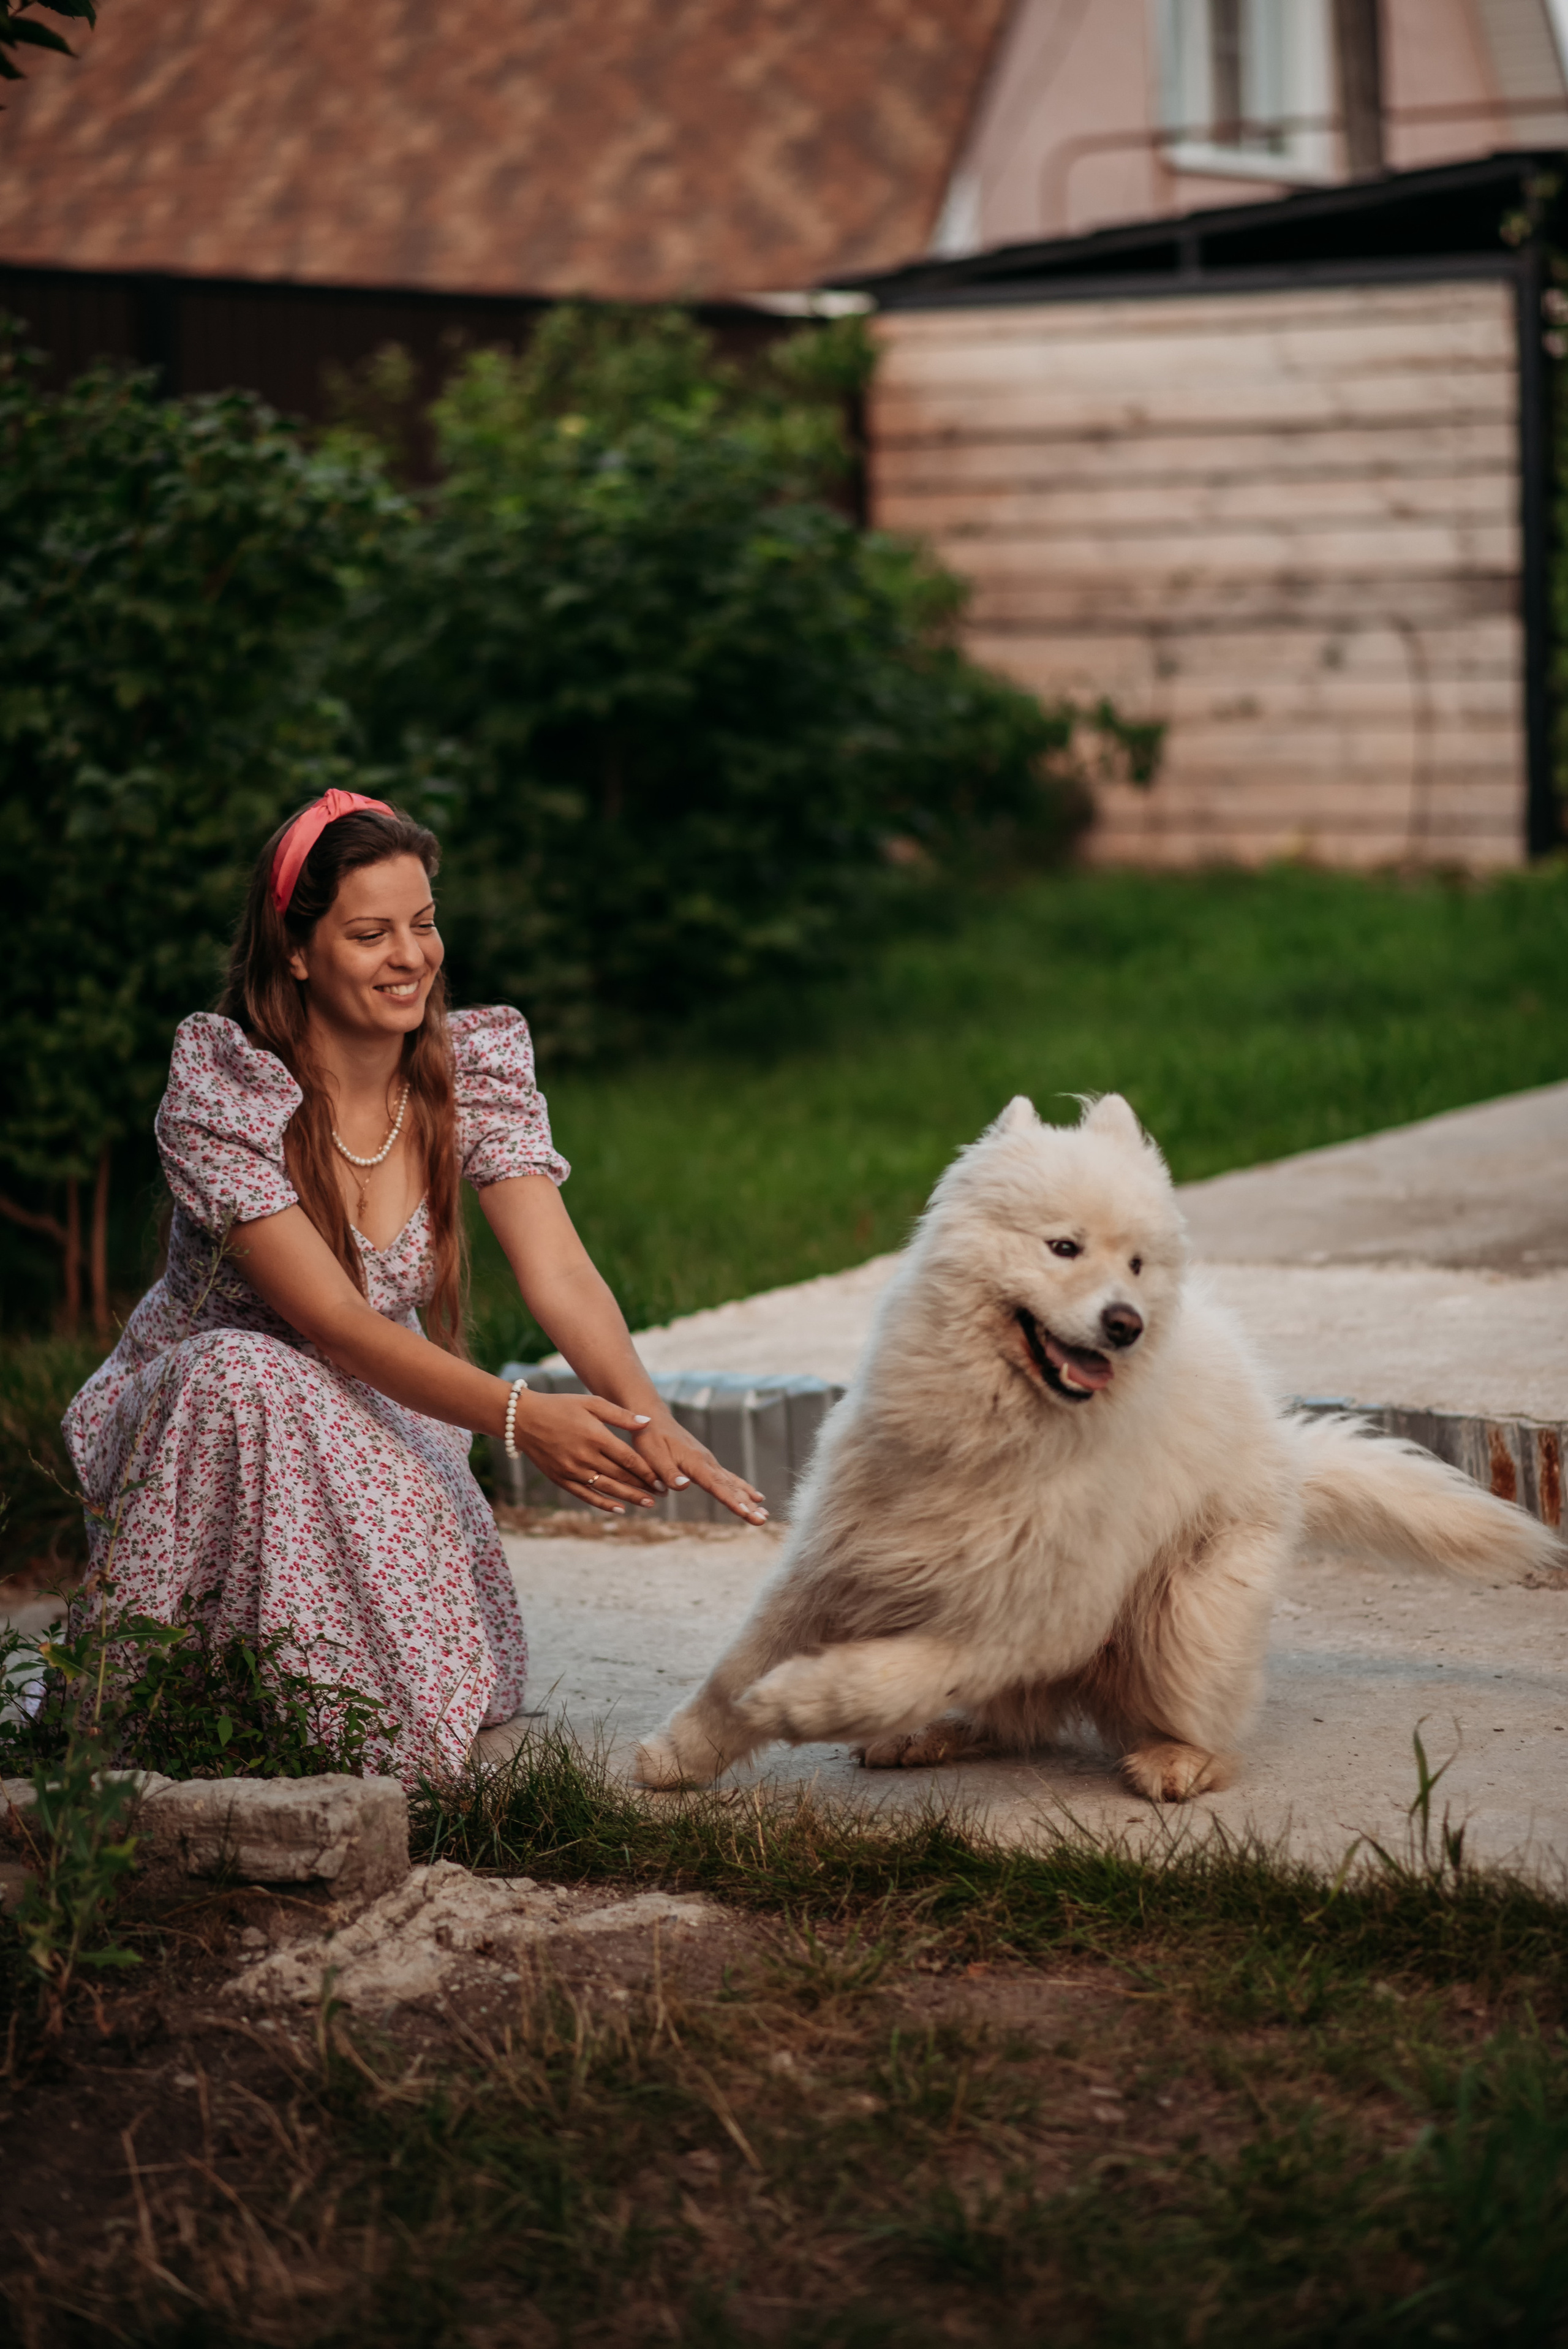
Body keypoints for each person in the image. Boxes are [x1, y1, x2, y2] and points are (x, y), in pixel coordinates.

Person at [62, 790, 766, 1783]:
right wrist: (524, 1418)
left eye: (425, 923)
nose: (412, 955)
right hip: (203, 1433)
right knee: (242, 1368)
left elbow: (558, 1267)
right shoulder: (230, 1089)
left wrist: (647, 1417)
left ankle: (333, 1719)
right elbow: (337, 1326)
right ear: (297, 949)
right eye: (370, 932)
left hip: (385, 1418)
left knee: (428, 1673)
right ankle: (165, 1710)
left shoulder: (464, 1070)